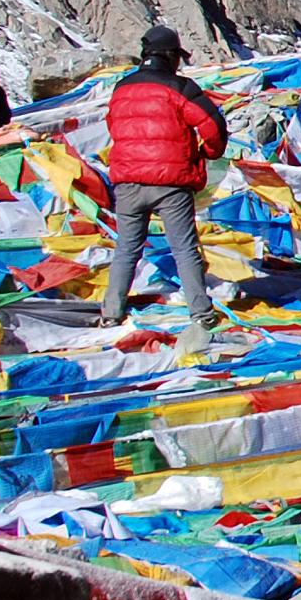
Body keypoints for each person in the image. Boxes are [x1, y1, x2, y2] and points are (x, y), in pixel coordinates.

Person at [102, 25, 228, 354]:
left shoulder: (121, 88)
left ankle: (110, 313)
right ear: (171, 56)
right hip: (171, 182)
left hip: (128, 181)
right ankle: (201, 312)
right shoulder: (180, 87)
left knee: (127, 248)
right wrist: (210, 153)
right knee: (184, 248)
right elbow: (212, 125)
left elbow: (113, 124)